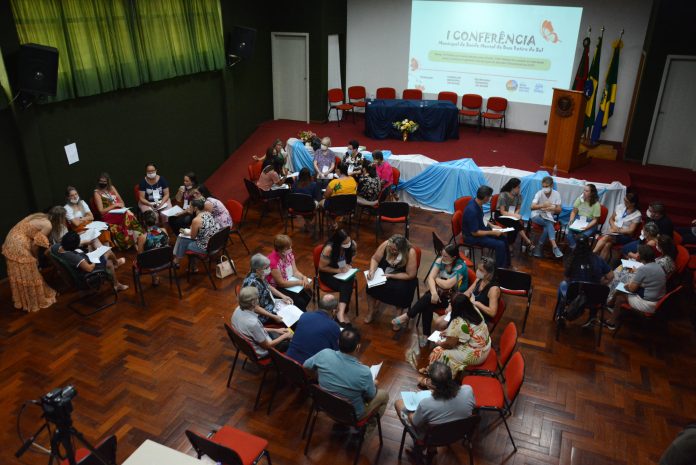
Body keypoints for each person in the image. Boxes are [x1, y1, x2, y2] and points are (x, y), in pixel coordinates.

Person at [303, 327, 389, 431]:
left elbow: (306, 366)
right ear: (358, 347)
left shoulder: (324, 353)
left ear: (338, 342)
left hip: (325, 406)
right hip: (351, 416)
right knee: (384, 395)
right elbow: (370, 395)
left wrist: (319, 376)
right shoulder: (364, 372)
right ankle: (366, 432)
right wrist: (373, 383)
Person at [394, 362, 475, 459]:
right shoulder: (468, 390)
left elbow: (415, 423)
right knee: (435, 421)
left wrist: (412, 412)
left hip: (434, 437)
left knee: (398, 403)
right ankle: (431, 450)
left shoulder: (425, 404)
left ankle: (419, 446)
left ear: (433, 384)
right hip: (459, 432)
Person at [393, 244, 468, 346]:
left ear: (453, 257)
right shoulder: (440, 260)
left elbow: (447, 284)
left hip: (453, 299)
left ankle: (409, 317)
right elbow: (430, 278)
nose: (442, 257)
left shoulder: (461, 267)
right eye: (442, 254)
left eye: (445, 256)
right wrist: (434, 293)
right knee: (428, 301)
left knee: (427, 301)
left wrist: (435, 279)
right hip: (439, 293)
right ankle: (424, 333)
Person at [415, 294, 491, 381]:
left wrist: (439, 343)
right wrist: (450, 332)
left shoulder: (458, 321)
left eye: (451, 304)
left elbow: (449, 345)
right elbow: (468, 331)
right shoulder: (474, 309)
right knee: (443, 350)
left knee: (438, 351)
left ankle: (436, 377)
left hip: (475, 355)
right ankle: (435, 371)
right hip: (485, 347)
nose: (449, 305)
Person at [2, 213, 57, 312]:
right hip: (19, 246)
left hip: (10, 240)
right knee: (30, 274)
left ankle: (24, 300)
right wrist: (35, 258)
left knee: (20, 274)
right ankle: (33, 302)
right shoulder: (48, 225)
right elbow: (35, 245)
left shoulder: (39, 215)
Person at [604, 245, 666, 331]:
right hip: (656, 298)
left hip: (648, 303)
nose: (636, 255)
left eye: (637, 254)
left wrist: (627, 285)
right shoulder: (658, 266)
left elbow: (631, 289)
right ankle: (610, 304)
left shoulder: (643, 269)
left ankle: (611, 321)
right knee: (620, 290)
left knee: (620, 294)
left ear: (640, 257)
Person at [555, 235, 613, 323]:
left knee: (563, 284)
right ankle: (593, 317)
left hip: (574, 296)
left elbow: (567, 278)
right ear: (589, 244)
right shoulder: (598, 259)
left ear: (576, 246)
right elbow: (611, 276)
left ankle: (560, 314)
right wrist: (601, 284)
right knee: (598, 288)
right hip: (593, 298)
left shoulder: (572, 260)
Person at [364, 235, 418, 325]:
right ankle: (371, 311)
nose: (392, 251)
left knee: (401, 290)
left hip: (402, 275)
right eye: (391, 249)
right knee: (370, 285)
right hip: (385, 271)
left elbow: (410, 275)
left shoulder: (410, 252)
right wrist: (372, 270)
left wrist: (391, 276)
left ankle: (397, 318)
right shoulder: (386, 244)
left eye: (395, 250)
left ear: (402, 250)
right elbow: (375, 259)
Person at [51, 231, 128, 292]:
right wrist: (96, 257)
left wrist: (79, 237)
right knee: (108, 257)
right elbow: (89, 269)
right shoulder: (74, 258)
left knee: (93, 243)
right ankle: (116, 284)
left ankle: (115, 265)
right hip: (86, 276)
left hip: (80, 264)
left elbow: (48, 252)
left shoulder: (55, 247)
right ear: (74, 247)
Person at [231, 287, 293, 357]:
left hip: (253, 344)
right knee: (294, 342)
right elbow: (267, 346)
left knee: (287, 334)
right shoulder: (253, 323)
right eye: (257, 298)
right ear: (253, 303)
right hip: (265, 351)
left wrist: (276, 330)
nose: (259, 299)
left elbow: (255, 331)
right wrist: (284, 336)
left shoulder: (237, 310)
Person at [461, 185, 510, 268]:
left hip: (480, 229)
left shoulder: (477, 202)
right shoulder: (472, 211)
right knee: (500, 244)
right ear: (485, 197)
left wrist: (492, 226)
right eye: (490, 196)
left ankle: (506, 264)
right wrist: (493, 232)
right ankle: (499, 270)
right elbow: (475, 233)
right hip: (471, 237)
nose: (490, 198)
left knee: (503, 237)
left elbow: (481, 218)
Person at [93, 172, 143, 249]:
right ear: (98, 181)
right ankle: (134, 241)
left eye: (104, 181)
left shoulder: (112, 188)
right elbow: (101, 211)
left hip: (119, 212)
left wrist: (121, 206)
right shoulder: (97, 193)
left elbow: (122, 203)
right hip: (108, 215)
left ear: (108, 182)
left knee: (129, 214)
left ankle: (137, 240)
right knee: (129, 215)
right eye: (101, 181)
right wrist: (114, 205)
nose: (102, 183)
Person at [318, 229, 357, 326]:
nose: (348, 244)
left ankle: (340, 313)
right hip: (327, 274)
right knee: (347, 285)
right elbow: (322, 268)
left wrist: (347, 265)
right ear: (338, 243)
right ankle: (342, 313)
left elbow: (350, 259)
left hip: (341, 271)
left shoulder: (352, 245)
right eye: (345, 243)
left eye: (348, 241)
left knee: (348, 280)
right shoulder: (329, 249)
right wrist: (338, 270)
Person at [286, 295, 341, 364]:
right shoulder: (334, 326)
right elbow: (336, 351)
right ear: (334, 311)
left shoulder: (304, 315)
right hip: (309, 368)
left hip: (287, 361)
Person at [242, 253, 293, 325]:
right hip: (263, 315)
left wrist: (283, 296)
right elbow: (255, 307)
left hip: (270, 303)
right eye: (266, 268)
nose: (269, 269)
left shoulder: (259, 274)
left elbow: (267, 286)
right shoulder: (251, 284)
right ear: (258, 270)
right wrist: (274, 316)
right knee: (289, 322)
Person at [267, 234, 312, 310]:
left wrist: (304, 278)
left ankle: (301, 312)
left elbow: (295, 271)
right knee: (300, 302)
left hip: (289, 280)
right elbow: (281, 283)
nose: (291, 249)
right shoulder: (273, 262)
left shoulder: (288, 254)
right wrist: (299, 282)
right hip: (277, 287)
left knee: (308, 295)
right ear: (281, 250)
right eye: (288, 248)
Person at [593, 192, 641, 262]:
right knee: (607, 244)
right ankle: (600, 264)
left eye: (626, 201)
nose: (624, 202)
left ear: (633, 204)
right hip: (613, 232)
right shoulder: (620, 207)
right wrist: (613, 227)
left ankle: (593, 254)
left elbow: (631, 230)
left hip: (625, 236)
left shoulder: (637, 214)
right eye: (624, 200)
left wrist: (617, 230)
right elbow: (611, 219)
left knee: (606, 237)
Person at [172, 199, 220, 265]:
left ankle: (178, 261)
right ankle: (189, 264)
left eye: (190, 206)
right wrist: (187, 233)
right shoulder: (208, 213)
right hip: (214, 243)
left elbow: (193, 237)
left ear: (195, 208)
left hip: (206, 247)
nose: (188, 208)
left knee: (183, 241)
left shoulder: (196, 220)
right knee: (183, 240)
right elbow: (204, 230)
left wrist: (187, 233)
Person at [495, 177, 534, 253]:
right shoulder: (503, 195)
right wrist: (513, 216)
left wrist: (515, 214)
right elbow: (502, 212)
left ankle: (510, 244)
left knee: (514, 223)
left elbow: (518, 208)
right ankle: (526, 241)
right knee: (515, 223)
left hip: (511, 215)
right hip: (500, 215)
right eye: (518, 187)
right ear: (512, 187)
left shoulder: (519, 196)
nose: (519, 189)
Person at [458, 257, 501, 324]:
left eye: (481, 270)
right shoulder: (479, 279)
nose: (477, 271)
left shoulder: (494, 289)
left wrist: (477, 304)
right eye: (478, 268)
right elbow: (467, 293)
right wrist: (457, 300)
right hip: (472, 311)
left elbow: (492, 313)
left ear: (489, 274)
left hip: (481, 319)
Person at [531, 176, 564, 258]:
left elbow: (559, 210)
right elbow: (532, 207)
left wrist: (553, 208)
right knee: (549, 223)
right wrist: (543, 205)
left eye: (546, 186)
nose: (544, 188)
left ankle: (539, 247)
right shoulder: (539, 193)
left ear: (551, 186)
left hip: (548, 217)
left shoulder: (556, 194)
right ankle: (554, 246)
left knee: (547, 226)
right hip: (537, 215)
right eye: (543, 186)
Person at [135, 210, 170, 286]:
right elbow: (167, 244)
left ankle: (155, 277)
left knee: (146, 257)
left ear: (144, 222)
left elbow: (140, 255)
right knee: (155, 253)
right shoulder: (164, 230)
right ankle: (155, 278)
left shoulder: (142, 237)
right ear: (155, 220)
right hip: (166, 261)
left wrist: (137, 246)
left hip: (151, 265)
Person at [567, 184, 601, 250]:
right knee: (569, 234)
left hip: (590, 223)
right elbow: (574, 212)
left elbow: (595, 220)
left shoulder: (596, 204)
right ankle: (575, 250)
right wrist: (571, 220)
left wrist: (586, 227)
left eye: (587, 191)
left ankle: (577, 251)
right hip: (579, 220)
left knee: (581, 238)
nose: (584, 192)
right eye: (584, 190)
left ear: (592, 193)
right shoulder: (579, 199)